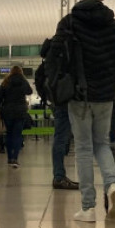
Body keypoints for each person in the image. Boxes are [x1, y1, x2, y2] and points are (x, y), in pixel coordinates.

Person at [54, 0, 115, 222]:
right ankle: (113, 186)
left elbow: (56, 56)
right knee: (101, 143)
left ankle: (88, 208)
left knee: (83, 147)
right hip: (105, 94)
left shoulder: (69, 23)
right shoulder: (113, 26)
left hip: (78, 95)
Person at [40, 39, 79, 190]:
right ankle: (59, 176)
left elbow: (40, 77)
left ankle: (59, 175)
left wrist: (48, 98)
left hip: (58, 100)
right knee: (68, 138)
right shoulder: (67, 48)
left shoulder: (49, 53)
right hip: (70, 99)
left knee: (60, 137)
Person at [0, 66, 32, 167]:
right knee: (17, 135)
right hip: (20, 112)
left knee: (9, 134)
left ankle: (9, 158)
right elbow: (30, 91)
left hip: (7, 112)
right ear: (21, 72)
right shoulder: (23, 81)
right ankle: (15, 158)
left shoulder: (6, 82)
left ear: (11, 72)